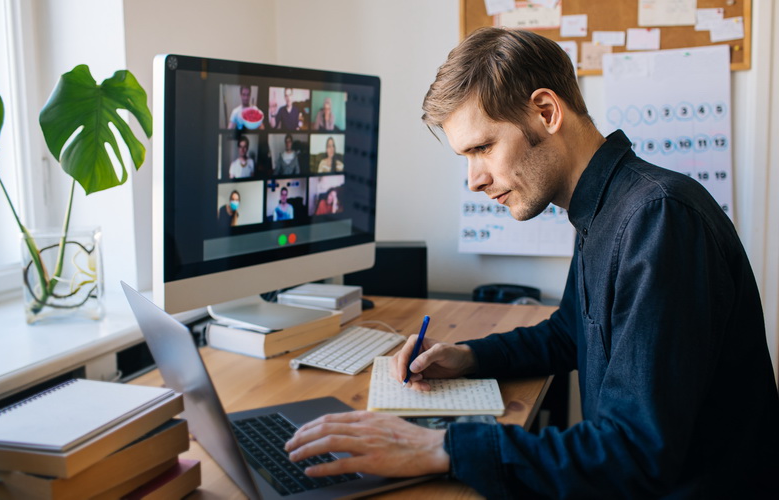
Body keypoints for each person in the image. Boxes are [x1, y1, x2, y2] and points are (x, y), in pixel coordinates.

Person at [284, 27, 779, 498]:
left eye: (482, 147)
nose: (474, 180)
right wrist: (471, 357)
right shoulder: (606, 208)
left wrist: (437, 446)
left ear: (545, 111)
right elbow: (571, 332)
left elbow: (639, 455)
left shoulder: (656, 218)